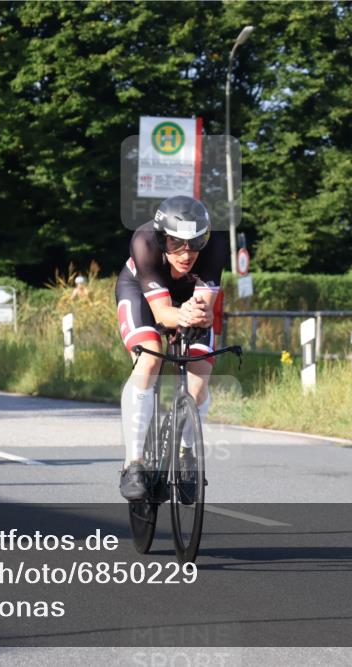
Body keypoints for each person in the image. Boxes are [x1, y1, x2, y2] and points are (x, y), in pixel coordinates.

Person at [114, 195, 228, 500]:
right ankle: (134, 463)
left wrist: (196, 315)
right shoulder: (144, 241)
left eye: (194, 243)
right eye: (176, 243)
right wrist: (183, 316)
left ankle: (185, 452)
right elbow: (163, 314)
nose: (186, 253)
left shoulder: (216, 245)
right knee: (149, 359)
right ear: (163, 238)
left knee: (200, 376)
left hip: (188, 300)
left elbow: (204, 307)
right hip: (142, 295)